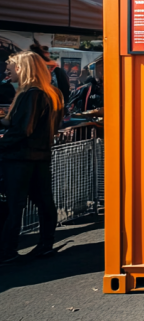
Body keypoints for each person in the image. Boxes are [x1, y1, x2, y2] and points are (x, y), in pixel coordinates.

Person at [0, 51, 63, 263]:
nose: (8, 71)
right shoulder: (50, 93)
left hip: (19, 158)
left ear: (22, 68)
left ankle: (7, 250)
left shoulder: (30, 94)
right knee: (44, 202)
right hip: (40, 156)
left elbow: (21, 130)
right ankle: (45, 244)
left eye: (11, 68)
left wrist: (2, 142)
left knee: (14, 205)